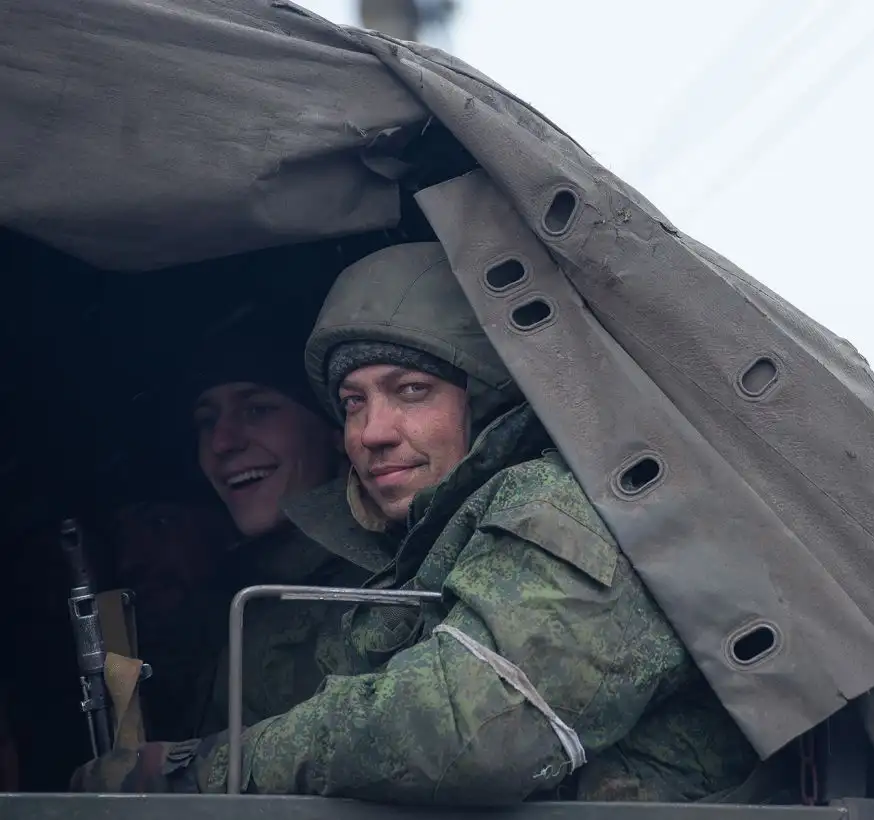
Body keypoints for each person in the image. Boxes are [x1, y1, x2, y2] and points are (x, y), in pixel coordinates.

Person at [70, 242, 779, 803]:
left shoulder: (561, 503)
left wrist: (203, 772)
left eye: (411, 392)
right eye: (352, 402)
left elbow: (471, 728)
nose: (372, 432)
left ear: (484, 402)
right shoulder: (422, 542)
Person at [133, 303, 376, 741]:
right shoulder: (235, 595)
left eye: (257, 410)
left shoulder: (387, 580)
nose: (222, 442)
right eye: (206, 421)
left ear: (335, 429)